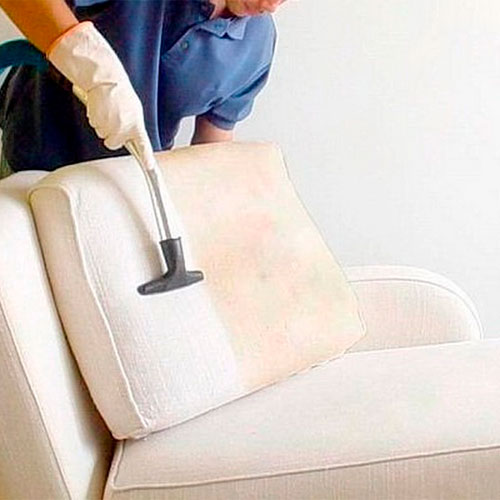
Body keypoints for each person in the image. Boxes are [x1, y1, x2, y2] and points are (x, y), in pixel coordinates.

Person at [0, 0, 284, 178]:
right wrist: (92, 68)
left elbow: (212, 146)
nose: (272, 5)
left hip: (126, 188)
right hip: (35, 159)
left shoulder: (257, 45)